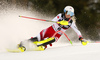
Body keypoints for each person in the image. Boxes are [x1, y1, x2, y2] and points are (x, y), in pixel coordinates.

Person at [18, 6, 88, 52]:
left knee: (54, 39)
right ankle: (22, 43)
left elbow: (77, 31)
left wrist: (81, 38)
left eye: (70, 13)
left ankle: (41, 45)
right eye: (67, 12)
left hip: (57, 34)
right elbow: (53, 20)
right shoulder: (60, 15)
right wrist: (60, 22)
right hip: (50, 30)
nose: (68, 14)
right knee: (38, 37)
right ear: (64, 12)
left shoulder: (71, 22)